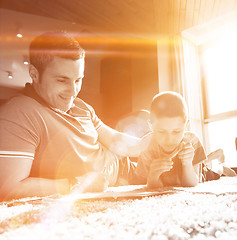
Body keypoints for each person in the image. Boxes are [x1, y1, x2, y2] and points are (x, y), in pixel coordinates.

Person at [0, 31, 144, 200]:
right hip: (120, 184)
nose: (73, 91)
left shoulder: (80, 106)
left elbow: (113, 139)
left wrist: (149, 144)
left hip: (132, 169)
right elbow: (8, 188)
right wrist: (75, 184)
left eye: (78, 80)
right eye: (62, 80)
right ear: (34, 74)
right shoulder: (20, 113)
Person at [135, 91, 235, 188]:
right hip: (173, 178)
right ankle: (211, 157)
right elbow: (153, 187)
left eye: (176, 131)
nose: (169, 140)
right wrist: (153, 175)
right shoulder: (146, 145)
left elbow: (191, 184)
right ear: (151, 126)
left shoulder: (192, 141)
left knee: (214, 173)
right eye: (161, 131)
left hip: (195, 175)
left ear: (186, 126)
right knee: (203, 162)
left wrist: (187, 164)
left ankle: (221, 165)